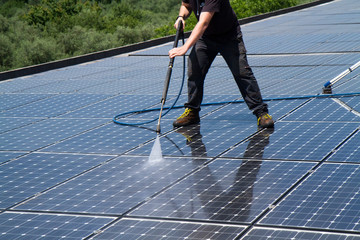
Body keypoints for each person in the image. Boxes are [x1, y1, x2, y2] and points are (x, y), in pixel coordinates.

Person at [169, 0, 274, 129]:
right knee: (194, 69)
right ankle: (192, 112)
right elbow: (186, 5)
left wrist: (184, 47)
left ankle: (261, 113)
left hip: (229, 36)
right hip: (206, 37)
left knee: (241, 72)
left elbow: (203, 23)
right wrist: (181, 17)